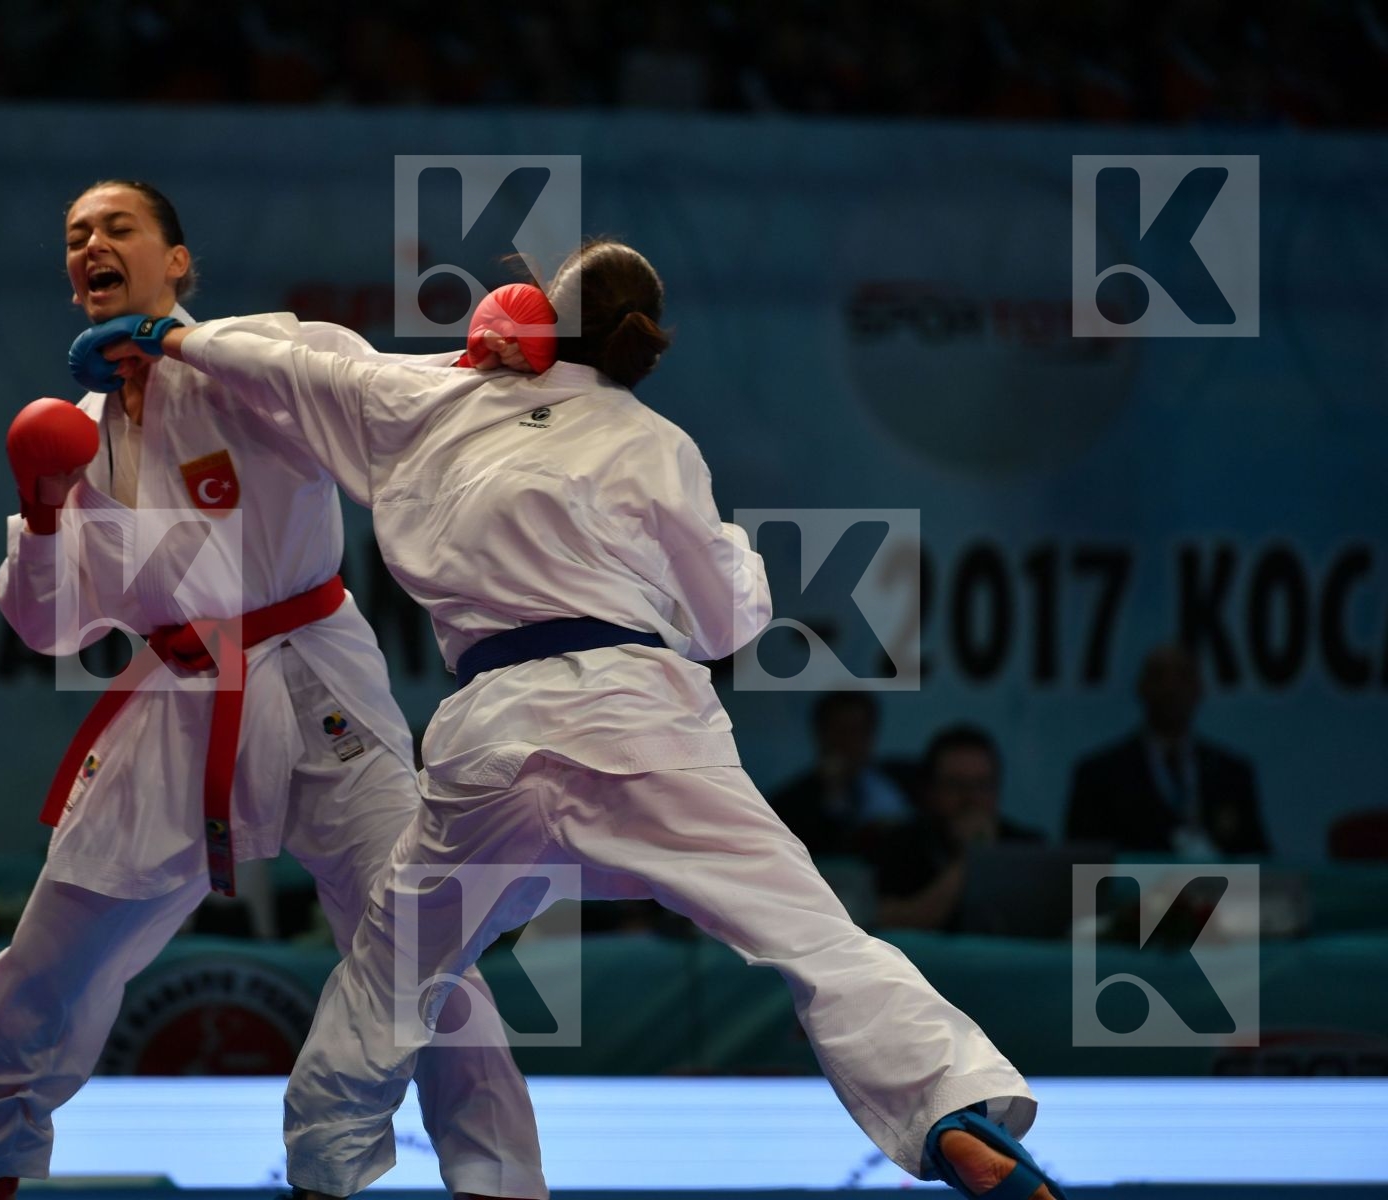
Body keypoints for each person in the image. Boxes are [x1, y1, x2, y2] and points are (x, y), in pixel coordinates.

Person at [82, 242, 1064, 1200]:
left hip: (490, 741)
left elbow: (298, 363)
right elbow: (729, 620)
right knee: (810, 935)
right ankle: (950, 1114)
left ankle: (322, 1174)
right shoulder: (650, 439)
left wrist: (172, 336)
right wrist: (734, 555)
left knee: (390, 978)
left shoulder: (438, 401)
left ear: (546, 326)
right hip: (637, 721)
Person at [0, 181, 542, 1200]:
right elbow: (47, 625)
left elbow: (372, 395)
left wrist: (479, 368)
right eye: (74, 237)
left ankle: (501, 1189)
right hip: (175, 695)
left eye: (117, 227)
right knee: (53, 954)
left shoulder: (249, 356)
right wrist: (44, 511)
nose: (90, 244)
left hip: (314, 669)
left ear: (177, 262)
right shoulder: (78, 433)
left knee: (418, 943)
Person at [1065, 643, 1269, 857]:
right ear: (1141, 688)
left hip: (1215, 889)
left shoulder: (1232, 774)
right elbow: (1081, 868)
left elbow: (1261, 864)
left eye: (1183, 677)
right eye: (1159, 676)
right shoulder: (1100, 775)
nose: (1170, 688)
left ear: (1199, 689)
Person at [869, 725, 1043, 932]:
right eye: (955, 784)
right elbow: (896, 923)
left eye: (982, 784)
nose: (971, 798)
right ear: (930, 791)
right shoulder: (900, 845)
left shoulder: (1026, 846)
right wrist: (971, 856)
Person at [769, 692, 917, 856]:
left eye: (859, 730)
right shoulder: (790, 802)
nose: (850, 741)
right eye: (841, 731)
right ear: (821, 734)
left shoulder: (904, 778)